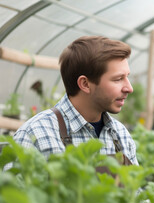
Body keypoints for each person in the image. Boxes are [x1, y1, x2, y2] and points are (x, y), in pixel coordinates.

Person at [12, 36, 138, 166]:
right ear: (85, 84)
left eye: (127, 77)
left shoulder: (120, 134)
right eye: (118, 79)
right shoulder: (35, 134)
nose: (129, 88)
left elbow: (134, 186)